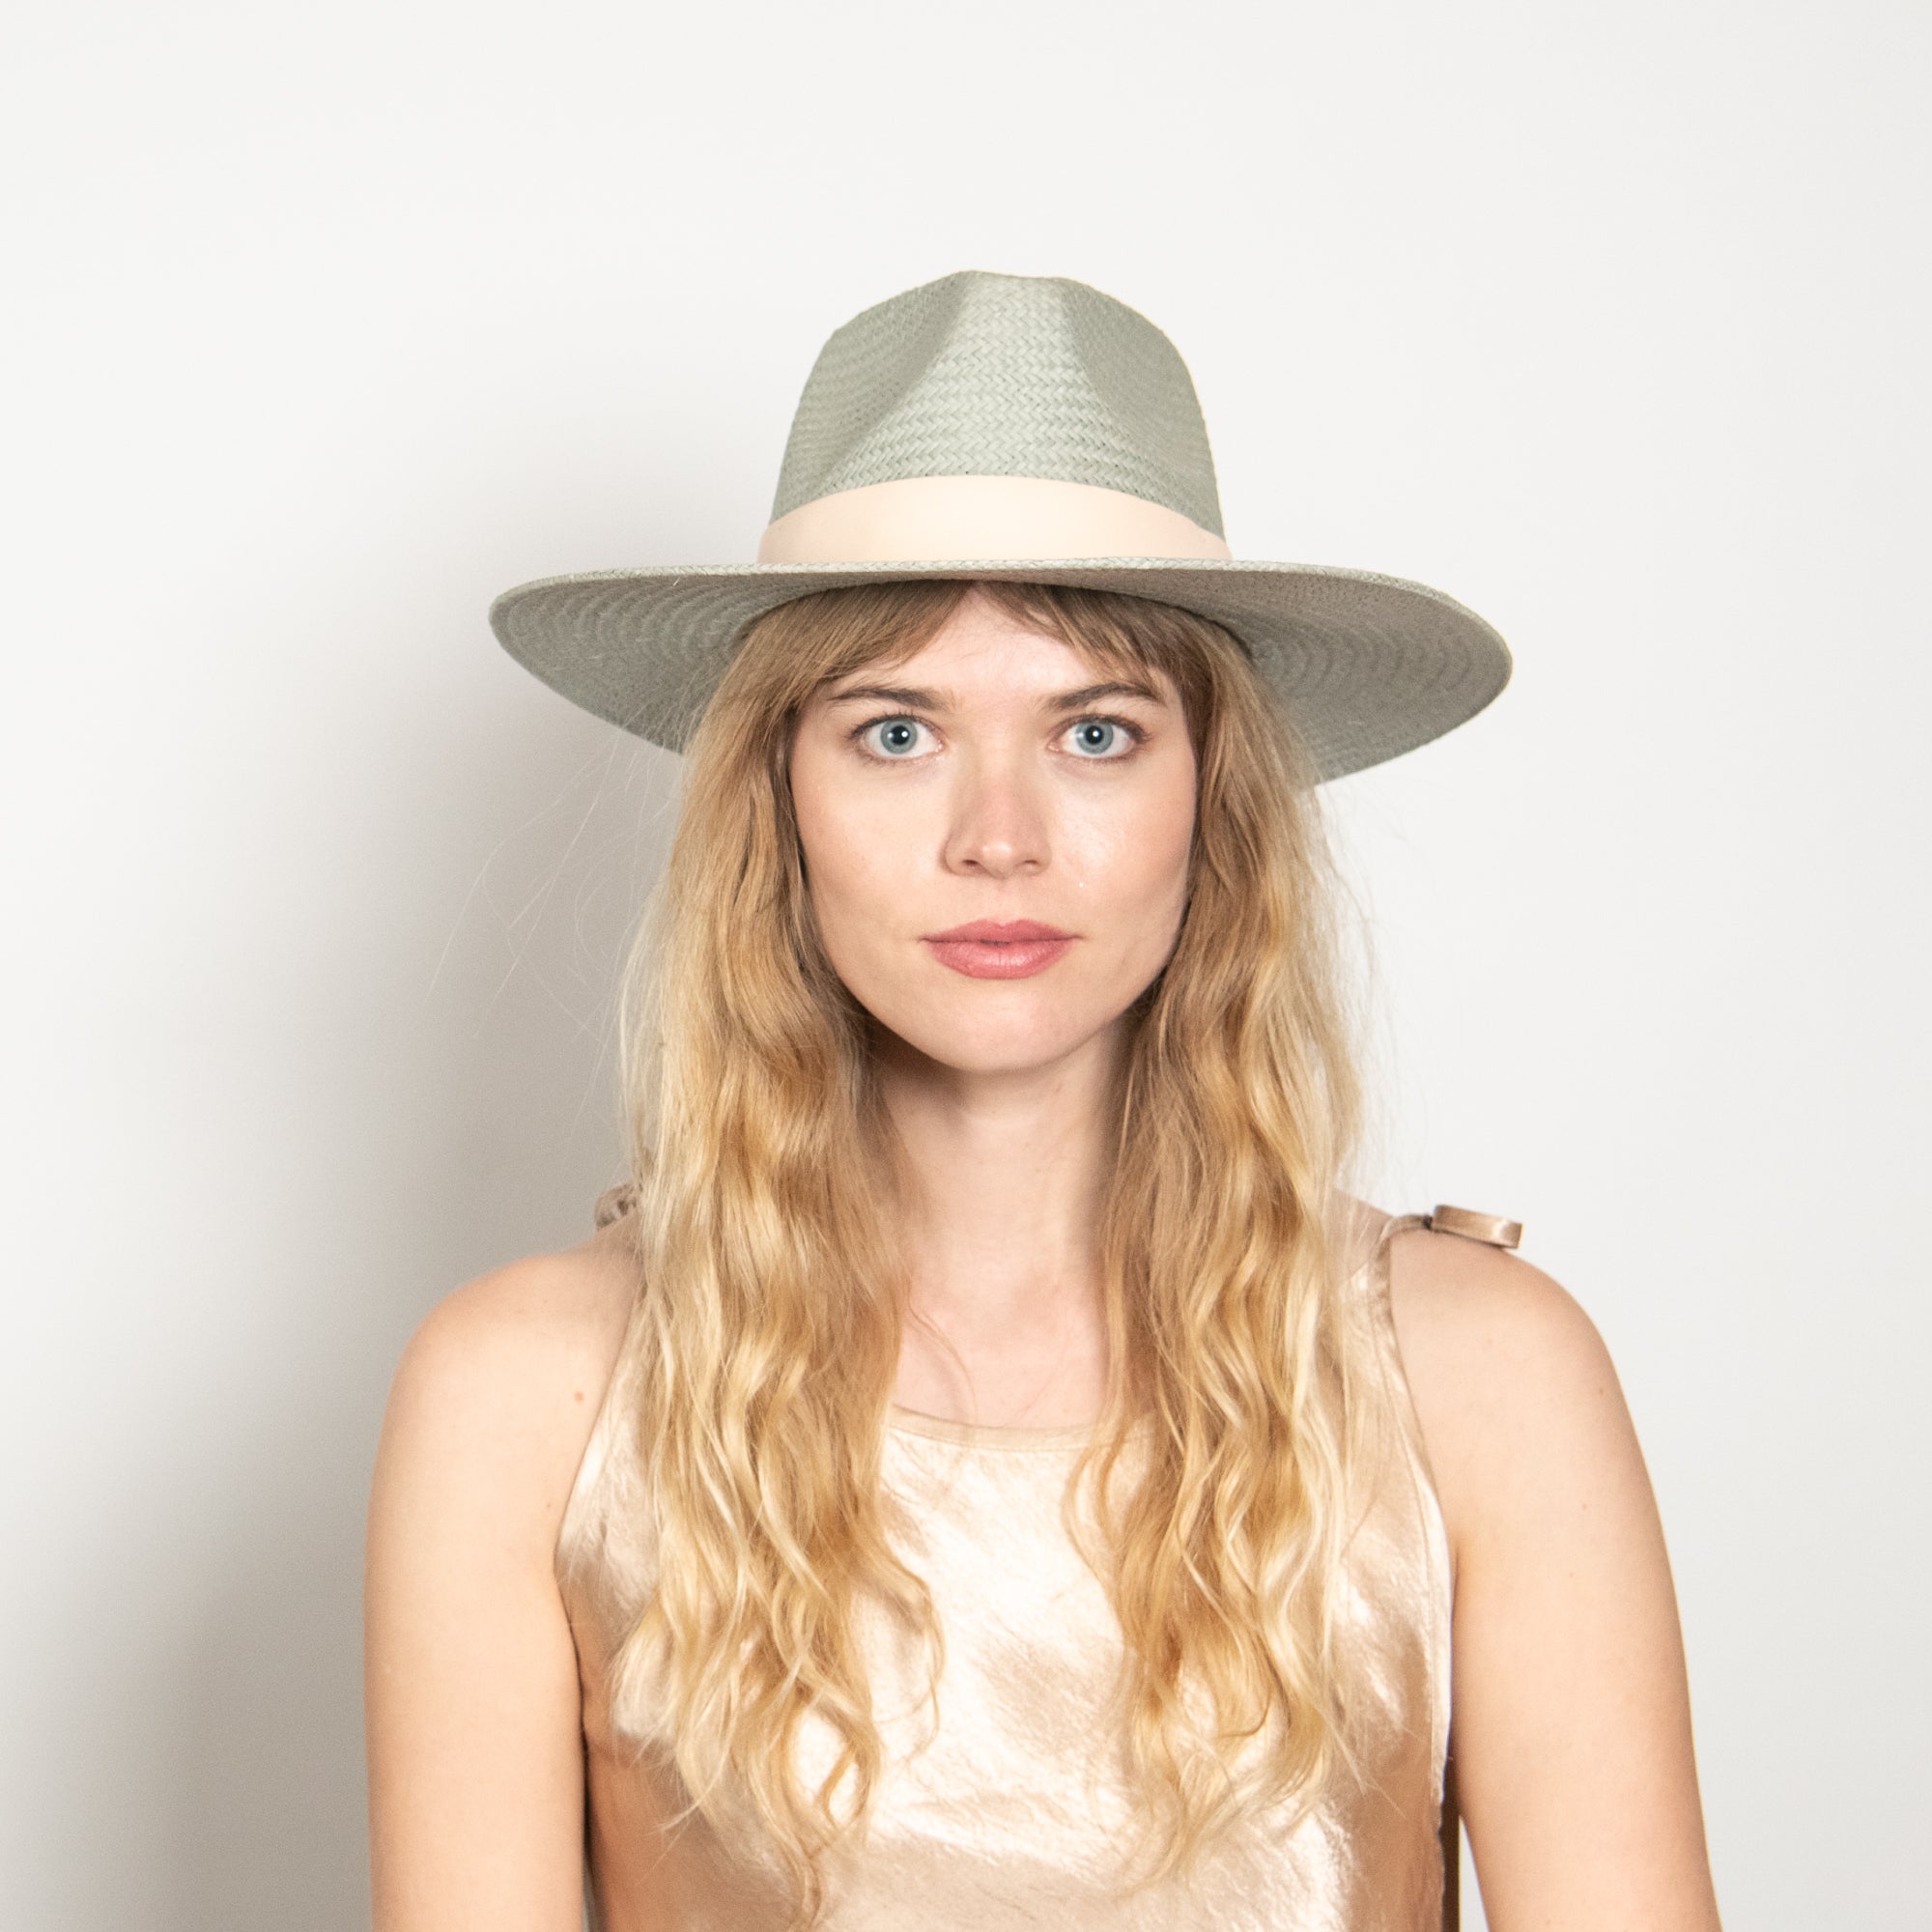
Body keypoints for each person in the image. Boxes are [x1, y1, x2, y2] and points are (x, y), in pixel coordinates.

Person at [363, 271, 1723, 1932]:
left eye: (1093, 729)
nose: (995, 835)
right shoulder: (531, 1398)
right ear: (772, 803)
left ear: (1209, 800)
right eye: (894, 730)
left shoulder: (1478, 1372)